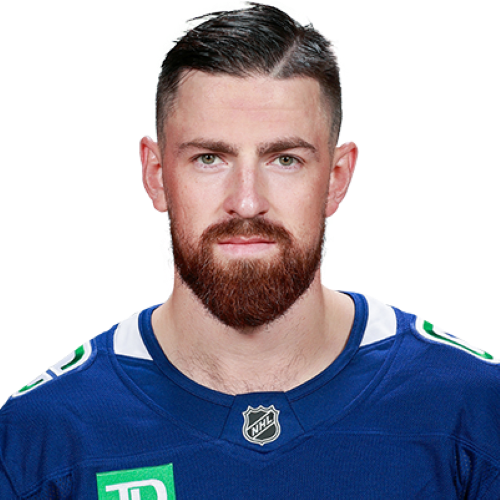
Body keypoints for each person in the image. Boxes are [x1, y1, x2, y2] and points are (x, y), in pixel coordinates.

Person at [1, 2, 499, 499]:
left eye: (285, 159)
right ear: (155, 174)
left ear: (337, 178)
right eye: (209, 158)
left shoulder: (475, 407)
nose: (246, 201)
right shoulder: (39, 434)